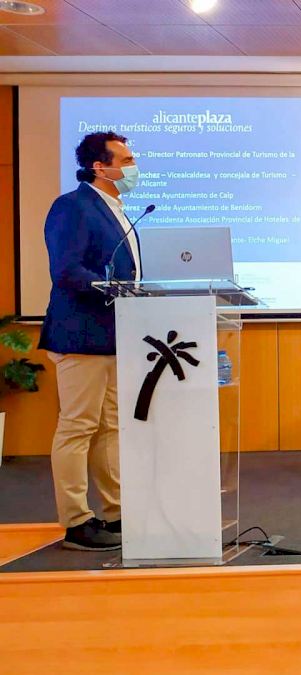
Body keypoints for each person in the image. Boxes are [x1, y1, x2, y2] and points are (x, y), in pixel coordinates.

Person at [40, 131, 142, 551]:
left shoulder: (116, 209)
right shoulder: (74, 206)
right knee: (78, 427)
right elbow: (66, 270)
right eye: (126, 160)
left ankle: (116, 513)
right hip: (81, 334)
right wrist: (115, 288)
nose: (133, 168)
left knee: (109, 427)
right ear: (100, 167)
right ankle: (76, 520)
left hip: (113, 336)